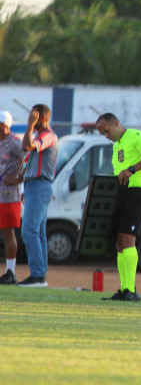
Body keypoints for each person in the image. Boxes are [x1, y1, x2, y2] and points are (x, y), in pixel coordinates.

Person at [96, 113, 141, 301]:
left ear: (116, 123)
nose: (106, 136)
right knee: (119, 242)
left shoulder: (136, 136)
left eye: (106, 131)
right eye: (103, 134)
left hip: (136, 195)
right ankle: (124, 289)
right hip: (121, 196)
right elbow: (119, 172)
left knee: (128, 239)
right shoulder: (116, 146)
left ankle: (131, 290)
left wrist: (132, 170)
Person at [16, 105, 59, 287]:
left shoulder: (47, 135)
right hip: (34, 186)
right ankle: (39, 274)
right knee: (38, 232)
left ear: (40, 118)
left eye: (33, 115)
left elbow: (26, 145)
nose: (29, 118)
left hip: (40, 185)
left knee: (29, 230)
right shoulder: (40, 136)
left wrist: (29, 125)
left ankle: (38, 275)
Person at [0, 111, 25, 285]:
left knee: (8, 233)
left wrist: (18, 179)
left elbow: (29, 159)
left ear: (3, 125)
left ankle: (11, 271)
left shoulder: (15, 142)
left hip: (9, 195)